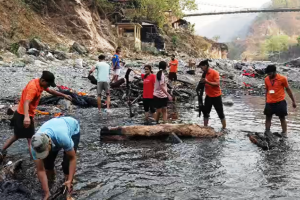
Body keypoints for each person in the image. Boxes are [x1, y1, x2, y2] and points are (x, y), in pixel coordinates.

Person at [0, 71, 72, 161]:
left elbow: (50, 91)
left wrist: (63, 95)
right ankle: (35, 160)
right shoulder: (33, 88)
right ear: (43, 80)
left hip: (21, 113)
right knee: (31, 139)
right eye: (48, 84)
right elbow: (26, 102)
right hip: (24, 114)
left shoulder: (40, 84)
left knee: (17, 136)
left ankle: (2, 150)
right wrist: (26, 117)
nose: (48, 86)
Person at [30, 117, 80, 200]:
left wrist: (70, 180)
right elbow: (40, 170)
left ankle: (68, 190)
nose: (43, 154)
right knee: (48, 165)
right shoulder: (34, 146)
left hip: (72, 128)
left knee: (66, 165)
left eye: (44, 151)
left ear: (49, 142)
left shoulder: (63, 138)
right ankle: (51, 183)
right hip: (54, 127)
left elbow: (73, 158)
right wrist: (46, 193)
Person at [264, 65, 296, 137]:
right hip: (269, 102)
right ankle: (267, 131)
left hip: (280, 102)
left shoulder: (282, 79)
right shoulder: (266, 79)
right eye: (267, 74)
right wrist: (266, 100)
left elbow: (288, 89)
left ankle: (284, 133)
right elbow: (267, 90)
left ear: (274, 72)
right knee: (268, 117)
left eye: (270, 73)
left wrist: (293, 101)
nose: (268, 75)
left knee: (282, 118)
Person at [199, 60, 226, 129]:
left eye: (202, 67)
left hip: (216, 96)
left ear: (205, 66)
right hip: (208, 96)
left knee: (220, 113)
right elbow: (203, 84)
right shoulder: (204, 74)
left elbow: (217, 83)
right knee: (205, 113)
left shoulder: (214, 72)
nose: (201, 69)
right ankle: (205, 127)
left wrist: (207, 81)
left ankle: (224, 128)